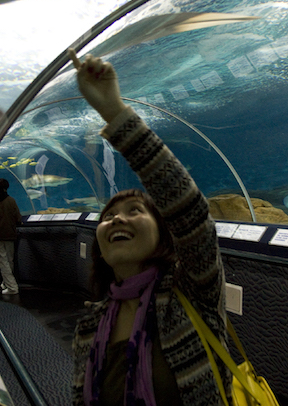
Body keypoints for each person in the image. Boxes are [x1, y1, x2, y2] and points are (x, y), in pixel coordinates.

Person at [69, 49, 228, 406]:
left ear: (164, 231)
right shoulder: (88, 328)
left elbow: (189, 211)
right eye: (108, 217)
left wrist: (114, 111)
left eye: (134, 210)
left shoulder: (191, 295)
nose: (118, 219)